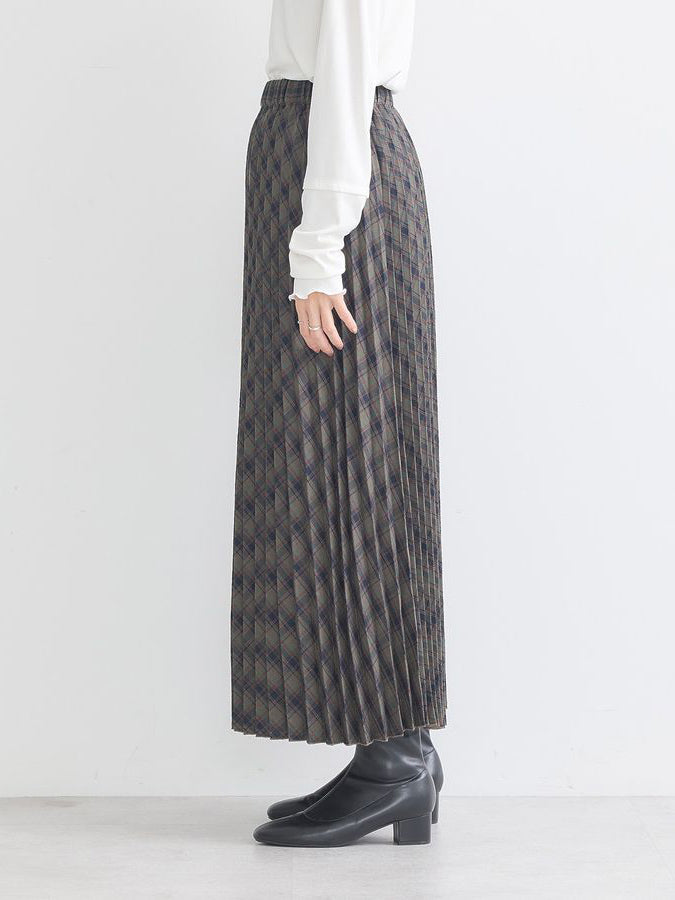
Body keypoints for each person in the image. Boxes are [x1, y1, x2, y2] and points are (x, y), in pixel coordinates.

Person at [231, 0, 446, 847]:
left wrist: (318, 249)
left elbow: (346, 77)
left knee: (353, 466)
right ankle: (393, 751)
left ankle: (393, 758)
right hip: (321, 169)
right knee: (345, 459)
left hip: (335, 190)